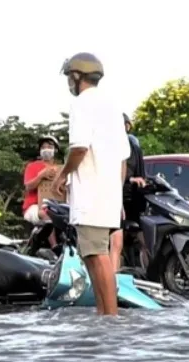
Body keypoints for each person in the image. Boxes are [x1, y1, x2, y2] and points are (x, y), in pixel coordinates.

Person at [51, 52, 131, 316]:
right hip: (107, 194)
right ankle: (104, 314)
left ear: (76, 76)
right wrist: (117, 196)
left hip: (91, 194)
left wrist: (62, 176)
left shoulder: (82, 103)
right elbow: (123, 159)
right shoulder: (112, 107)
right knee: (95, 255)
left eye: (68, 78)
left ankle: (110, 316)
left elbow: (79, 148)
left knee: (97, 256)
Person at [110, 113, 148, 272]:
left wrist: (141, 182)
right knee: (116, 242)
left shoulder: (134, 147)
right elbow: (112, 174)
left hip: (133, 199)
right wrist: (128, 180)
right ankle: (113, 276)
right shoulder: (110, 146)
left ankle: (146, 273)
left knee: (142, 237)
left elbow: (141, 173)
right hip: (116, 198)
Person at [23, 135, 61, 225]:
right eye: (43, 147)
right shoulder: (32, 166)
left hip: (56, 206)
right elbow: (28, 187)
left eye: (49, 147)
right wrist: (41, 176)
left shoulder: (60, 169)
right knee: (46, 215)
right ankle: (54, 240)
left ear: (55, 150)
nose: (46, 149)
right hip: (35, 206)